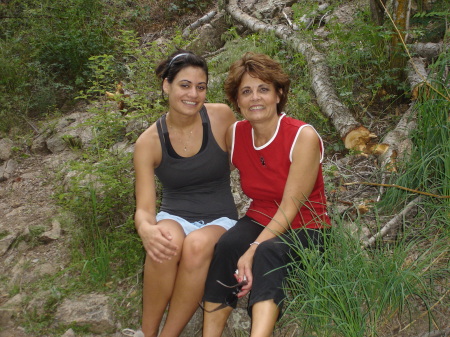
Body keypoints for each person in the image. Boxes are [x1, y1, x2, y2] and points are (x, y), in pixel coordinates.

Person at [202, 52, 331, 337]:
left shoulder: (302, 137)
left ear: (278, 94)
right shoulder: (235, 134)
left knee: (267, 253)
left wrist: (254, 248)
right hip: (260, 216)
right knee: (226, 247)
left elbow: (290, 207)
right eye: (246, 91)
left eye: (263, 89)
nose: (255, 98)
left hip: (307, 226)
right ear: (237, 100)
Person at [133, 50, 238, 337]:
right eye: (184, 85)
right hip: (175, 215)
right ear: (166, 86)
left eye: (200, 86)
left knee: (196, 245)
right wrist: (145, 228)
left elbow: (253, 152)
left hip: (221, 218)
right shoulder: (149, 142)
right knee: (163, 242)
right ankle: (147, 332)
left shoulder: (220, 117)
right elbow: (144, 207)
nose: (193, 94)